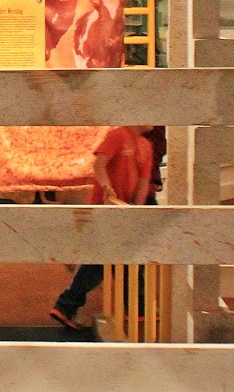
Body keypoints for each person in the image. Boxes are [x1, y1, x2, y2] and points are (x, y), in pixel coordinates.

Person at [49, 124, 155, 330]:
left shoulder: (145, 146)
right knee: (107, 261)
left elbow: (144, 180)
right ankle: (67, 305)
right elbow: (99, 163)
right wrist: (107, 189)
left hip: (121, 213)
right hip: (105, 211)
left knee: (113, 260)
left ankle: (67, 305)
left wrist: (136, 210)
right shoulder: (118, 135)